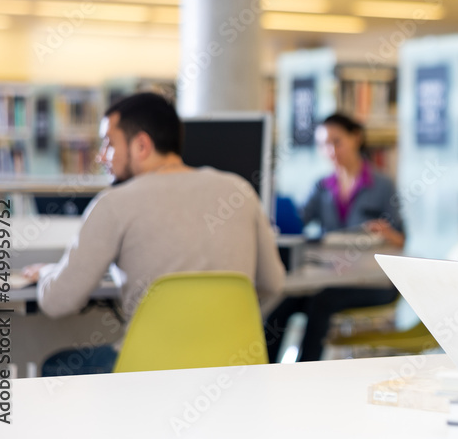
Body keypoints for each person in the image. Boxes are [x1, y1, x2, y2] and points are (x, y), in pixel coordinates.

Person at [22, 92, 286, 376]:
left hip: (148, 372)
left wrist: (49, 272)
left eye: (109, 143)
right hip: (231, 368)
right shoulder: (240, 191)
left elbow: (58, 302)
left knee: (58, 366)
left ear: (142, 145)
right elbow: (274, 283)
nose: (101, 156)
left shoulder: (114, 203)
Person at [265, 113, 404, 362]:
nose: (330, 150)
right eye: (323, 145)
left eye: (336, 142)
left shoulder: (382, 184)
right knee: (285, 302)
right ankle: (264, 370)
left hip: (375, 283)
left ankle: (306, 371)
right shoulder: (322, 186)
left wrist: (385, 232)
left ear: (356, 138)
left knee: (319, 302)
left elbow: (402, 239)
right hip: (333, 277)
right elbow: (298, 222)